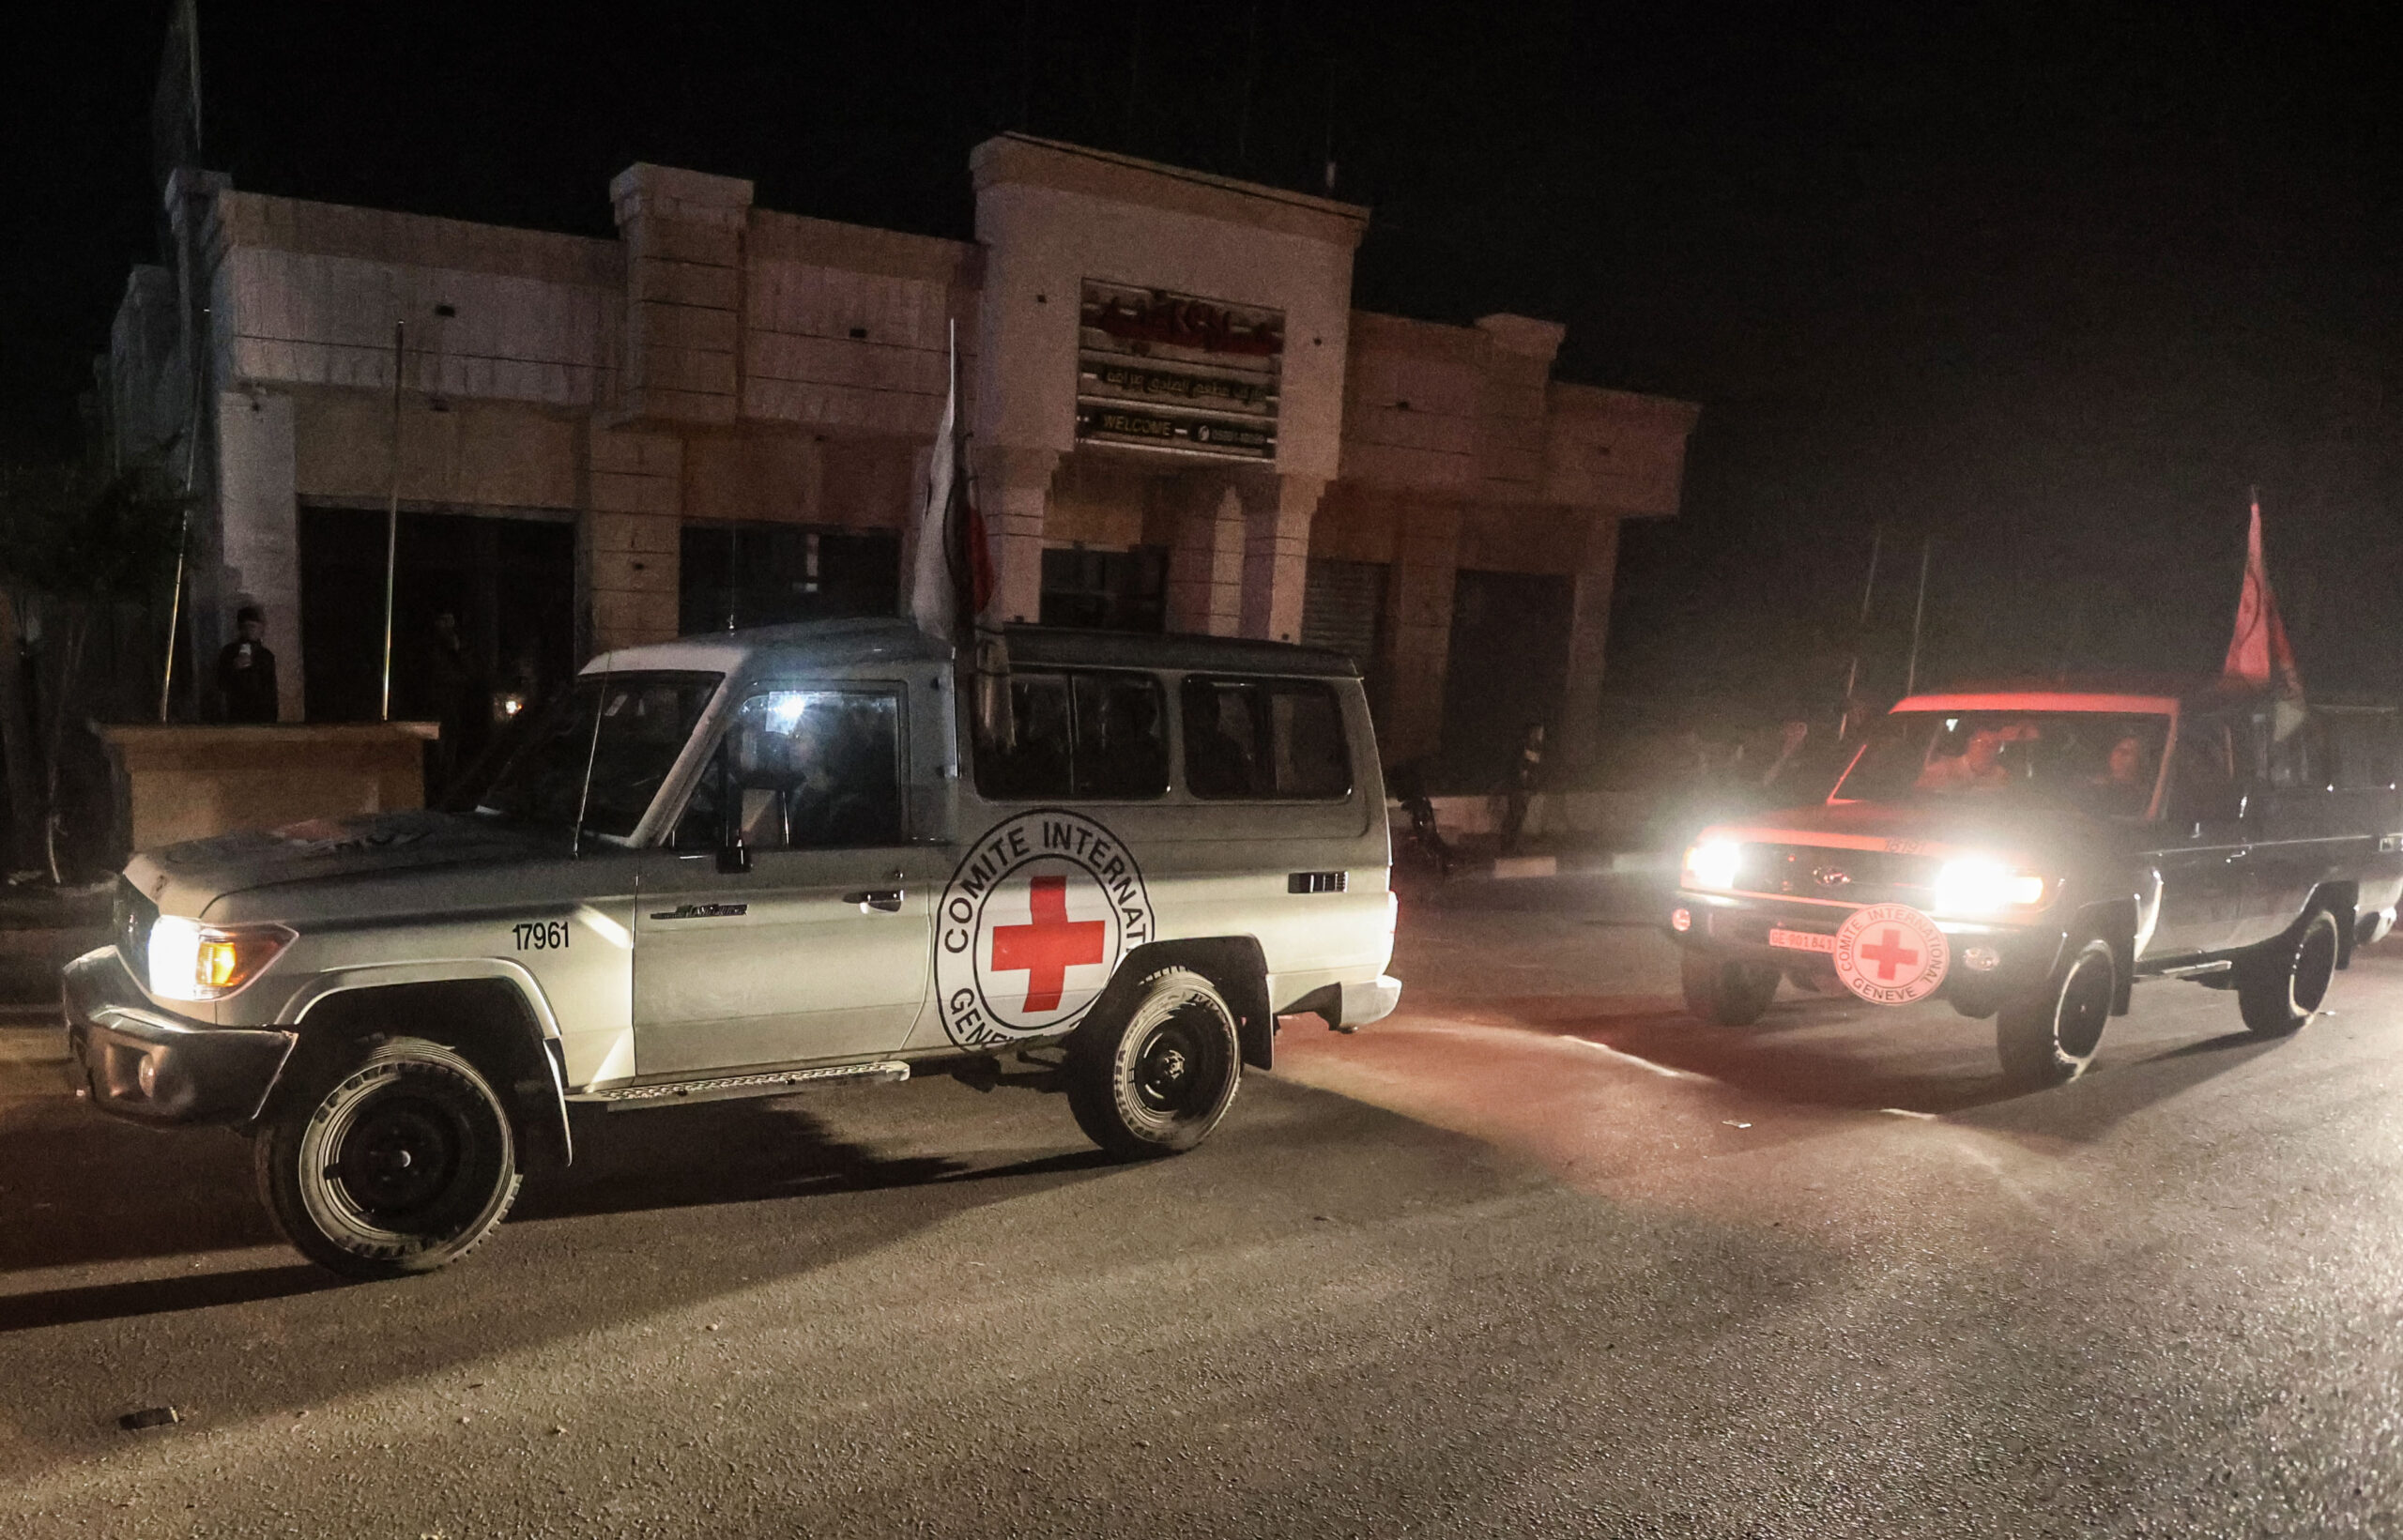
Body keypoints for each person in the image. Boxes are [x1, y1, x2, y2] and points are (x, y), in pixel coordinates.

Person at [216, 603, 280, 723]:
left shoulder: (266, 656)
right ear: (240, 628)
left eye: (253, 626)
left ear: (261, 628)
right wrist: (234, 667)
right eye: (246, 626)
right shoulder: (229, 652)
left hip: (262, 714)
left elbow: (270, 689)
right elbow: (221, 683)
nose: (250, 631)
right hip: (237, 712)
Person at [1499, 721, 1547, 855]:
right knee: (1515, 816)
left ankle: (1512, 845)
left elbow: (1533, 767)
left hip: (1526, 788)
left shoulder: (1535, 747)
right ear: (1533, 732)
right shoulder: (1526, 746)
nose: (1541, 735)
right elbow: (1523, 768)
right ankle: (1508, 845)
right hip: (1519, 788)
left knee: (1519, 817)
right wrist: (1525, 784)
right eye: (1539, 732)